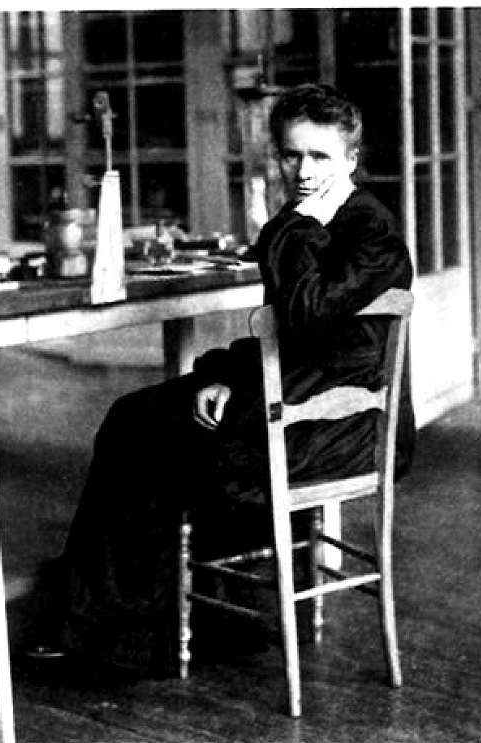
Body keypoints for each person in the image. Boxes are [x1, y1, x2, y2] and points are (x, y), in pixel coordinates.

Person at [27, 83, 416, 678]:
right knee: (141, 416)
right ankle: (149, 620)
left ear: (351, 162)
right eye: (291, 155)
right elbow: (297, 337)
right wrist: (229, 375)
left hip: (341, 430)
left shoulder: (368, 230)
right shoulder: (317, 219)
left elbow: (306, 311)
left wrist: (291, 227)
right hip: (302, 404)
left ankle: (115, 635)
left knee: (142, 429)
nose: (303, 171)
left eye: (320, 157)